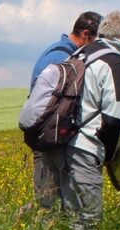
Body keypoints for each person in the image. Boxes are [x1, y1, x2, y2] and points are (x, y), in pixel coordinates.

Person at [41, 10, 120, 230]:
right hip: (86, 149)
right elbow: (114, 118)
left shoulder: (79, 54)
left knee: (68, 217)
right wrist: (109, 156)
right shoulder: (114, 64)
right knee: (88, 222)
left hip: (60, 144)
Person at [29, 11, 103, 208]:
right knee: (49, 203)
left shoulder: (58, 52)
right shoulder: (62, 58)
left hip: (48, 138)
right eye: (97, 41)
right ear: (86, 34)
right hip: (49, 140)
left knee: (51, 201)